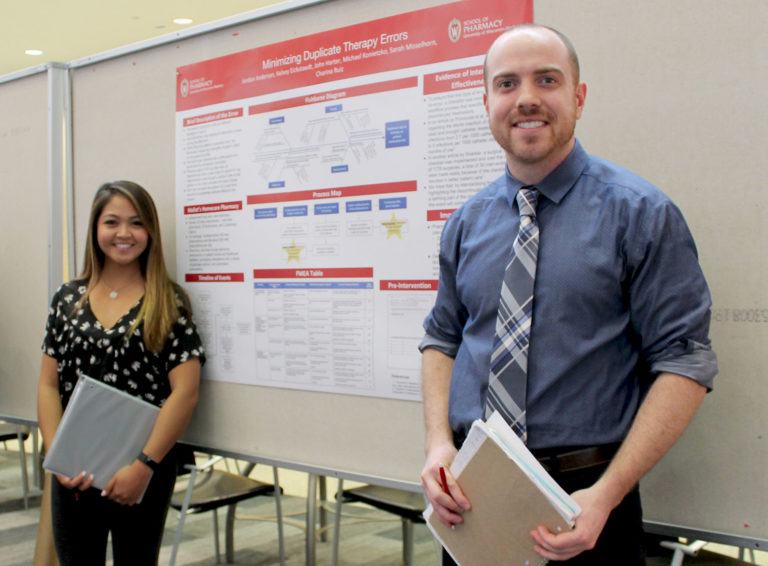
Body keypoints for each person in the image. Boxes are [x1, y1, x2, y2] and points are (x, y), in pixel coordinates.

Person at [419, 24, 717, 565]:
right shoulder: (466, 224)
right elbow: (441, 339)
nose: (526, 98)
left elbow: (685, 364)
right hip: (474, 500)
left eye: (547, 80)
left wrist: (607, 496)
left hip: (589, 504)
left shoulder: (640, 216)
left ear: (578, 97)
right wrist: (439, 447)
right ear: (486, 101)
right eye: (506, 84)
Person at [37, 180, 205, 566]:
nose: (124, 233)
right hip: (74, 470)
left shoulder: (168, 301)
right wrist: (57, 456)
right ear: (96, 230)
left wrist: (143, 467)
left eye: (137, 223)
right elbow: (48, 385)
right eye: (112, 222)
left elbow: (185, 393)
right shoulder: (67, 299)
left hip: (141, 469)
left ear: (151, 233)